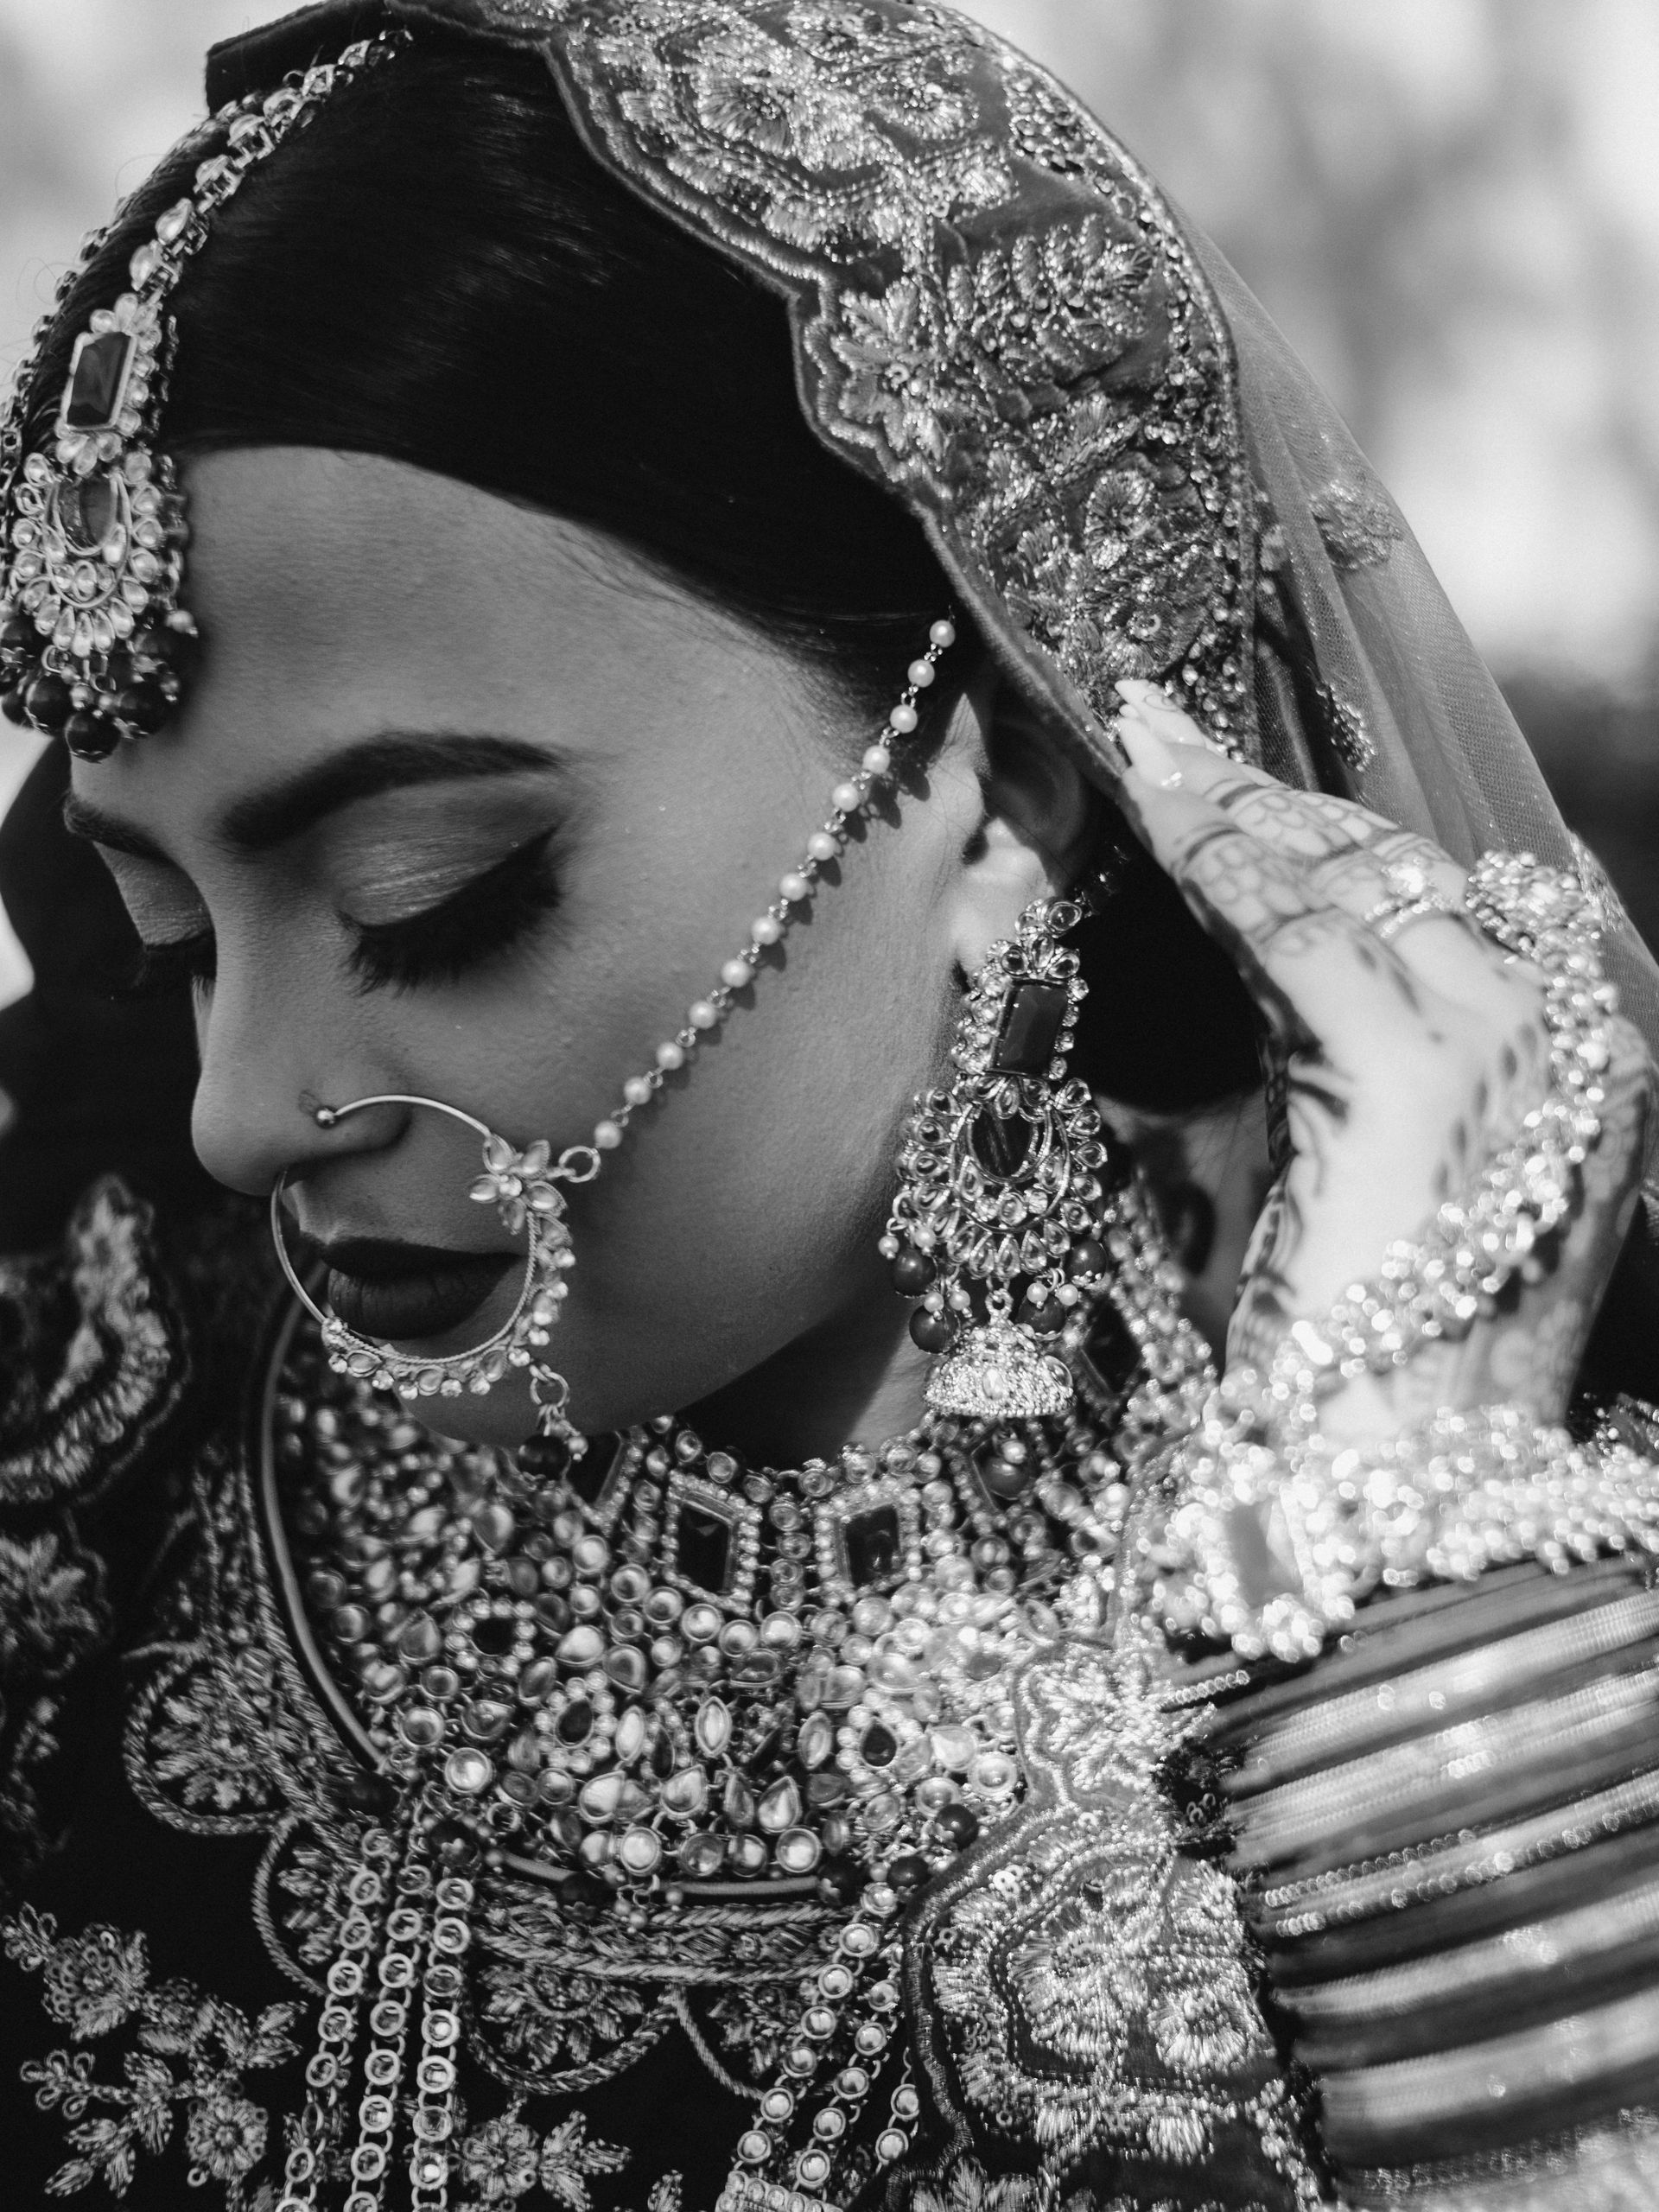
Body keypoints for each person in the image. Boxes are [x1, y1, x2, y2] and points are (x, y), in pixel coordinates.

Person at [3, 4, 1659, 2208]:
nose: (238, 1108)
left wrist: (1396, 1594)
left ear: (1008, 783)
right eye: (173, 932)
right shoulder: (79, 1386)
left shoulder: (1488, 1597)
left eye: (441, 898)